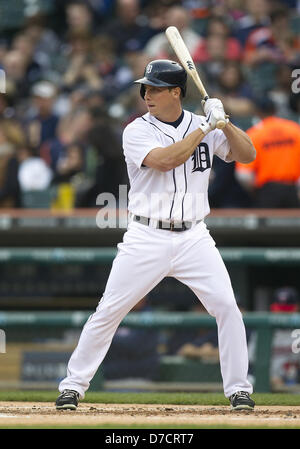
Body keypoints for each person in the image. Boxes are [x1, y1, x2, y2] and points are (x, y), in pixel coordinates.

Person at [55, 59, 256, 411]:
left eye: (155, 88)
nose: (146, 94)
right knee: (109, 310)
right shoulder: (136, 130)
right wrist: (204, 129)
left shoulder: (204, 123)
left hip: (195, 237)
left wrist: (225, 125)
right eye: (145, 88)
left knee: (227, 307)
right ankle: (72, 386)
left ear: (176, 92)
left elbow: (248, 155)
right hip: (147, 235)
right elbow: (165, 160)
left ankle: (239, 389)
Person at [235, 97, 300, 208]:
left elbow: (243, 175)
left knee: (267, 225)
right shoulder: (295, 129)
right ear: (275, 110)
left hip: (267, 192)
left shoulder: (253, 134)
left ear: (257, 112)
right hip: (293, 190)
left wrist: (256, 191)